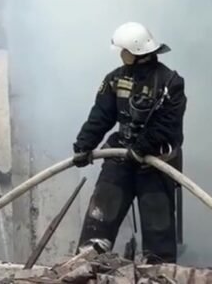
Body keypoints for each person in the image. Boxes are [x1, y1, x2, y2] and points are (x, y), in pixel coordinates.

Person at [72, 22, 186, 263]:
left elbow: (168, 125)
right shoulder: (115, 79)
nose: (121, 54)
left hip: (155, 163)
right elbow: (101, 116)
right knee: (100, 216)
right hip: (119, 158)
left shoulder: (170, 83)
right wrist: (84, 145)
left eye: (123, 50)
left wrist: (141, 148)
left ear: (136, 52)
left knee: (158, 229)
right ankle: (85, 266)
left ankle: (158, 272)